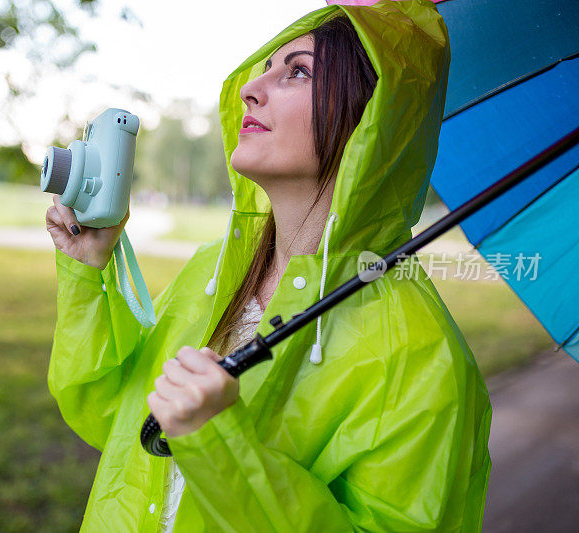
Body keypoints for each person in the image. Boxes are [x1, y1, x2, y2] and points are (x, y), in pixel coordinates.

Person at [45, 0, 492, 531]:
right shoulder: (212, 271)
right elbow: (109, 417)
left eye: (297, 72)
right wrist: (88, 274)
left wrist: (219, 441)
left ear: (372, 120)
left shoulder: (423, 357)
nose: (250, 90)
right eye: (265, 69)